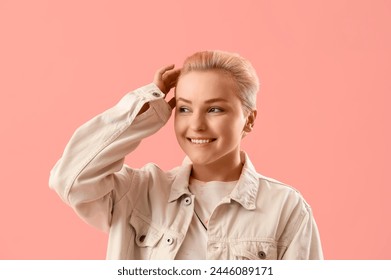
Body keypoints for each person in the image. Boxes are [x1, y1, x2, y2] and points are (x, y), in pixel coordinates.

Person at [49, 50, 323, 260]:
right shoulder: (137, 193)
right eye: (184, 109)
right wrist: (147, 109)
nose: (197, 125)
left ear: (249, 120)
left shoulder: (286, 208)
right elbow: (70, 179)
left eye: (215, 109)